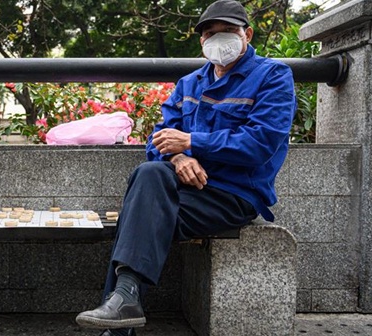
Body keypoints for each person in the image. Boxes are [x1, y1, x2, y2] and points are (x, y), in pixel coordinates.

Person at [75, 1, 296, 335]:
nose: (219, 39)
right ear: (202, 42)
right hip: (180, 189)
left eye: (228, 32)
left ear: (247, 34)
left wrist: (192, 142)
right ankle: (124, 303)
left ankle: (120, 318)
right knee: (149, 179)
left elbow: (260, 143)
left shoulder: (273, 76)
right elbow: (159, 139)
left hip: (232, 195)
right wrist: (178, 157)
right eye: (210, 33)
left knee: (138, 213)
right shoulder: (189, 83)